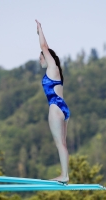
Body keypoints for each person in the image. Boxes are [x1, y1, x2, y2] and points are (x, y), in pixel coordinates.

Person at [35, 20, 70, 185]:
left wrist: (39, 30)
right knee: (63, 144)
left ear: (46, 57)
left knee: (60, 144)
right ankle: (64, 174)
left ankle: (64, 176)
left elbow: (44, 46)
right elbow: (45, 49)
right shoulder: (55, 70)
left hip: (55, 107)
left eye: (40, 58)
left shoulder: (52, 67)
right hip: (64, 109)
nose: (40, 60)